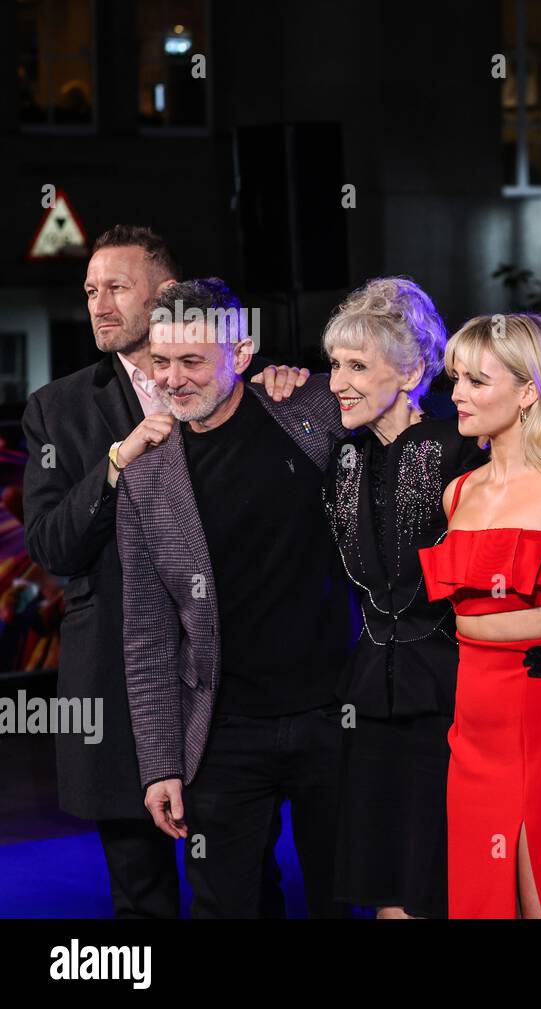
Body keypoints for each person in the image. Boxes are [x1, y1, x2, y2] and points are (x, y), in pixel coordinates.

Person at [20, 226, 293, 918]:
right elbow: (51, 545)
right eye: (89, 290)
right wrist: (116, 462)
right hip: (116, 685)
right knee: (140, 899)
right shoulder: (58, 408)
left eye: (116, 287)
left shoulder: (242, 383)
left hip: (232, 685)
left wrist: (295, 385)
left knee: (244, 886)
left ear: (166, 294)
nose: (98, 304)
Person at [116, 277, 354, 918]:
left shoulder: (308, 412)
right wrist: (159, 763)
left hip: (334, 717)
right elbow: (147, 628)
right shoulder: (146, 470)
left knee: (346, 902)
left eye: (193, 360)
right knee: (225, 908)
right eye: (161, 362)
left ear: (241, 353)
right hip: (221, 734)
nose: (173, 379)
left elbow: (403, 401)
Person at [318, 277, 485, 918]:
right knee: (384, 889)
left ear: (413, 369)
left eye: (358, 366)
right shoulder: (344, 458)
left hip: (449, 697)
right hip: (368, 703)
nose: (337, 382)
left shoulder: (460, 449)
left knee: (434, 884)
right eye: (335, 365)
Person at [417, 312, 541, 919]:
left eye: (475, 381)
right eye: (455, 378)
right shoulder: (458, 492)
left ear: (528, 391)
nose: (457, 394)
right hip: (474, 716)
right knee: (480, 896)